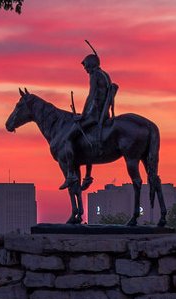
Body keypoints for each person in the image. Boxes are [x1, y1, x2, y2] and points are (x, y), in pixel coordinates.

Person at [58, 42, 116, 190]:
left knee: (68, 138)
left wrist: (82, 116)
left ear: (90, 64)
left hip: (94, 115)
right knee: (85, 139)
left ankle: (71, 174)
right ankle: (88, 176)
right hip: (103, 114)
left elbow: (92, 97)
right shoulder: (105, 75)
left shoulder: (95, 75)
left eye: (85, 66)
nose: (85, 69)